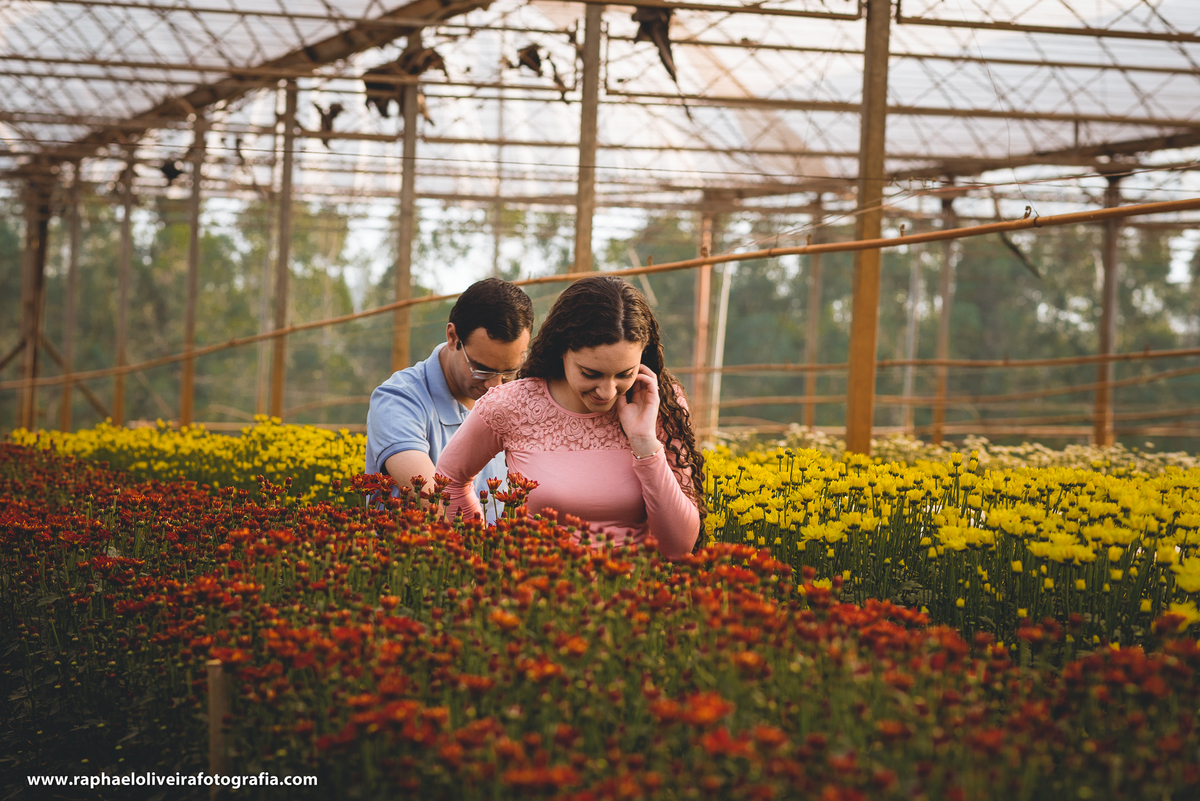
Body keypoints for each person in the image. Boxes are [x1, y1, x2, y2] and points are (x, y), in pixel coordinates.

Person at [435, 275, 704, 558]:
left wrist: (645, 442)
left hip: (632, 595)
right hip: (533, 595)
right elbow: (449, 480)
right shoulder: (511, 404)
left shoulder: (657, 403)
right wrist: (482, 555)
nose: (607, 391)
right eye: (591, 374)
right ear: (562, 350)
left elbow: (679, 547)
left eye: (624, 374)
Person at [365, 278, 533, 509]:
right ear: (453, 337)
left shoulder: (519, 397)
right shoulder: (398, 401)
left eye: (508, 371)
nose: (495, 387)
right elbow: (436, 505)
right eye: (482, 369)